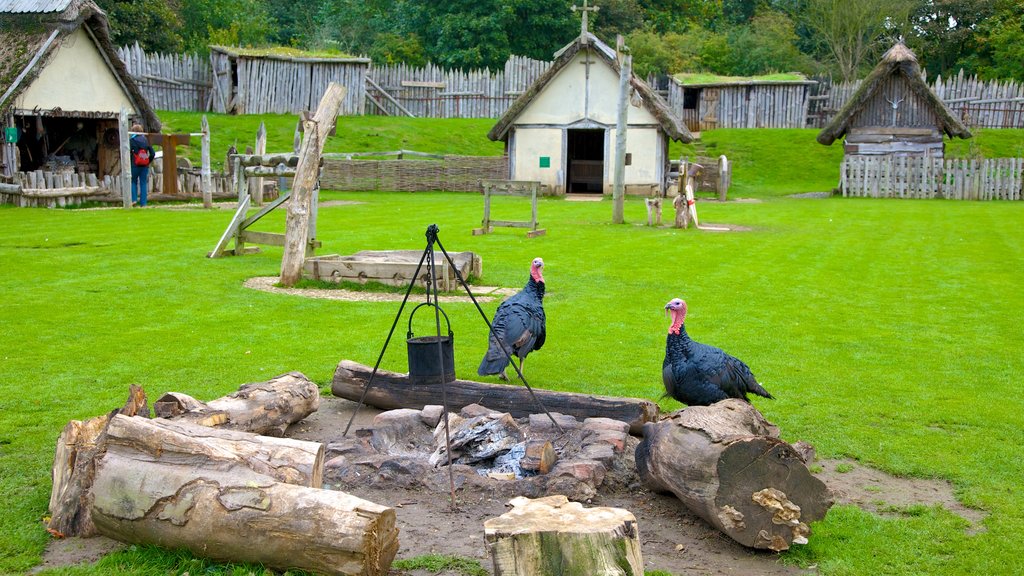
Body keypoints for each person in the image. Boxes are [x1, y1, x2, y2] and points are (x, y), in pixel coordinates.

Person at [129, 124, 155, 207]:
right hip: (144, 166)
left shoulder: (132, 140)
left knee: (133, 182)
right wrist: (148, 161)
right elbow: (153, 153)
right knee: (143, 183)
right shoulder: (146, 140)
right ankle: (143, 203)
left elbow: (128, 152)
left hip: (134, 165)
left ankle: (134, 200)